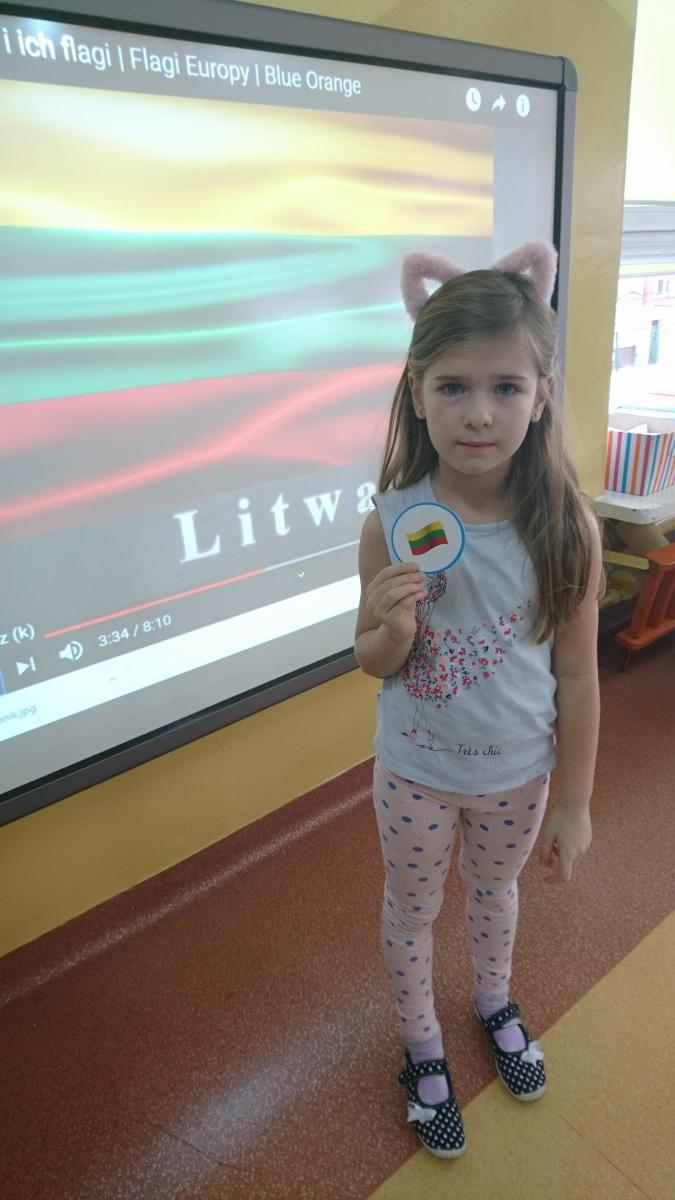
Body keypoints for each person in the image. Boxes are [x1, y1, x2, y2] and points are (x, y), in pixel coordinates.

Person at [354, 242, 603, 1159]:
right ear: (416, 393)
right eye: (453, 386)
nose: (478, 412)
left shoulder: (564, 524)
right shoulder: (390, 522)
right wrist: (390, 627)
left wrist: (573, 801)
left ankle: (493, 1000)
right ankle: (421, 1045)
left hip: (517, 777)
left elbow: (578, 676)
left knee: (495, 892)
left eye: (505, 386)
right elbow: (370, 660)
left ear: (541, 395)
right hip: (414, 774)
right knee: (412, 909)